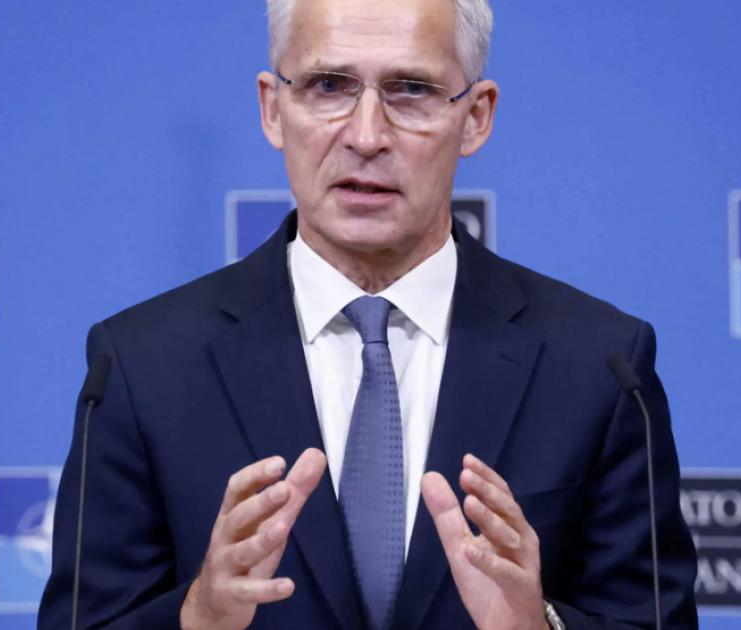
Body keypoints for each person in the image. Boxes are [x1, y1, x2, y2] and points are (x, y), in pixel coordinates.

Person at [38, 0, 698, 627]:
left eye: (410, 90)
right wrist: (197, 618)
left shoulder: (598, 366)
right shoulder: (144, 365)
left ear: (476, 117)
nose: (366, 135)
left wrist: (539, 627)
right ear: (273, 108)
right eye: (329, 85)